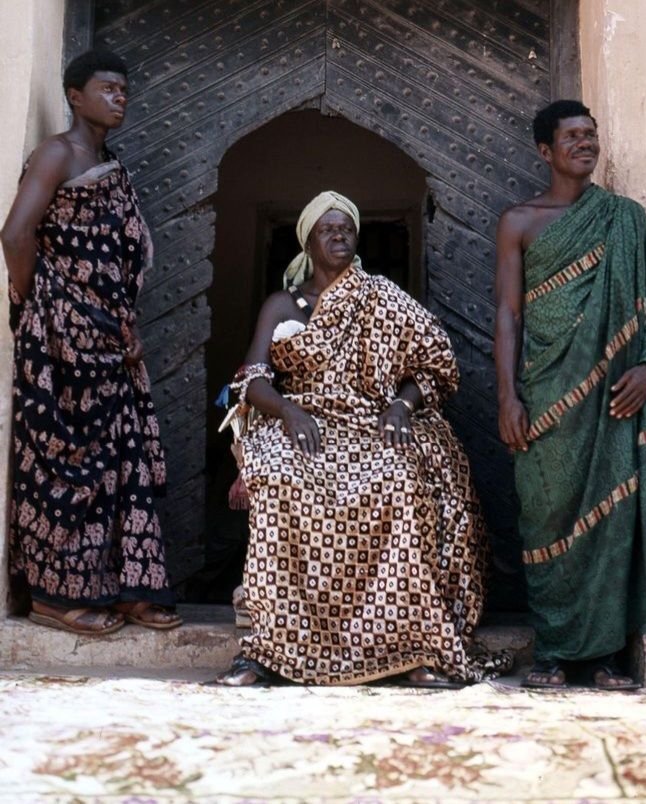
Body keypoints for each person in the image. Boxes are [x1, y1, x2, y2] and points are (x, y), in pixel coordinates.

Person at [216, 191, 511, 687]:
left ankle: (414, 649)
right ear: (307, 240)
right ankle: (269, 650)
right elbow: (253, 377)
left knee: (400, 480)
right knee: (279, 478)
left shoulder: (382, 298)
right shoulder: (282, 304)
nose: (338, 236)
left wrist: (401, 404)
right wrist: (287, 410)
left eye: (346, 228)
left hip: (372, 421)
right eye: (327, 229)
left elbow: (436, 362)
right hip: (304, 421)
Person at [494, 100, 646, 689]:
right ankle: (552, 651)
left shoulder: (627, 220)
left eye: (591, 135)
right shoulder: (518, 221)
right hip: (545, 398)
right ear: (546, 151)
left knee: (613, 520)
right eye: (572, 136)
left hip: (616, 400)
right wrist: (507, 398)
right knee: (545, 516)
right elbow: (507, 315)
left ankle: (599, 657)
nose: (585, 144)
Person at [1, 49, 181, 634]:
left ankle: (124, 587)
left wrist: (122, 325)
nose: (119, 97)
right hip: (60, 338)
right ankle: (56, 597)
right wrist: (35, 304)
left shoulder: (114, 167)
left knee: (119, 465)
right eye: (107, 88)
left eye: (124, 90)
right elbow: (16, 232)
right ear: (75, 96)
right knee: (67, 464)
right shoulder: (58, 153)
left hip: (110, 342)